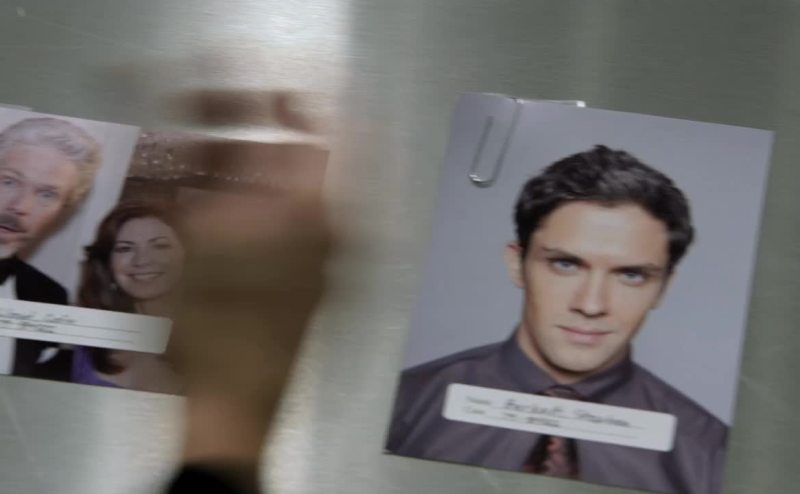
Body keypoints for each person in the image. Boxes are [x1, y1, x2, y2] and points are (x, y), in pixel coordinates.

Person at [386, 146, 727, 494]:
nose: (591, 305)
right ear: (517, 265)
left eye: (631, 275)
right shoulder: (400, 406)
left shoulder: (711, 455)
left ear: (663, 287)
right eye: (565, 264)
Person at [0, 117, 102, 381]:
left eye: (47, 195)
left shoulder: (48, 297)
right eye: (9, 182)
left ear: (62, 211)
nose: (20, 206)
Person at [71, 201, 185, 393]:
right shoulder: (86, 340)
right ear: (107, 265)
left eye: (160, 246)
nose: (142, 260)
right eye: (125, 248)